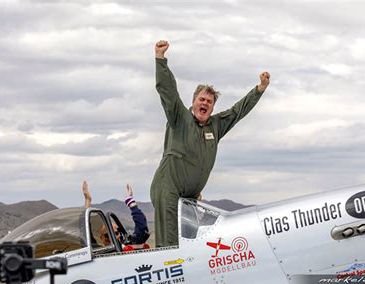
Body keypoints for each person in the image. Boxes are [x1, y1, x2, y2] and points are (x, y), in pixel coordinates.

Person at [150, 40, 270, 247]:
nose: (204, 103)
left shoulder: (215, 126)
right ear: (194, 101)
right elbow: (168, 91)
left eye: (209, 101)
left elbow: (237, 111)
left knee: (190, 242)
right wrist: (160, 59)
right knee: (170, 245)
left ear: (213, 107)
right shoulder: (179, 117)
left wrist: (259, 89)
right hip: (168, 189)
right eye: (201, 99)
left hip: (190, 197)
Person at [82, 181, 150, 246]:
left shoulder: (127, 248)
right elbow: (85, 233)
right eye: (107, 235)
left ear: (120, 235)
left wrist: (130, 201)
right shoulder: (99, 253)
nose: (113, 237)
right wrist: (87, 200)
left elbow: (142, 227)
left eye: (116, 233)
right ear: (101, 238)